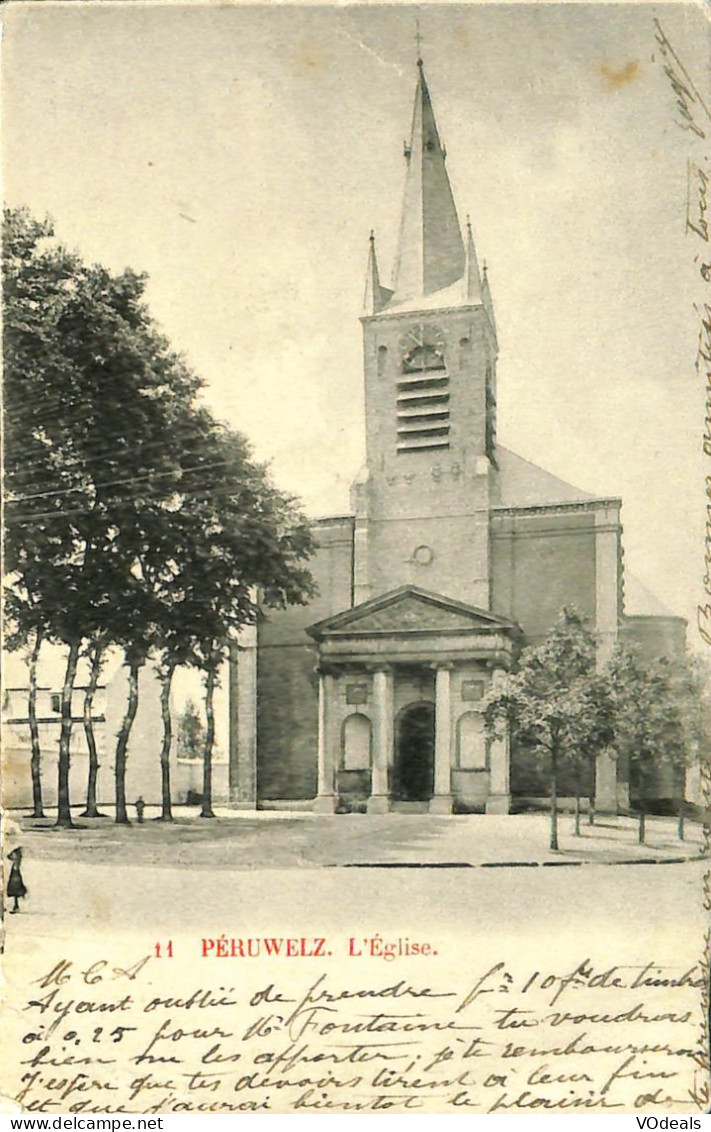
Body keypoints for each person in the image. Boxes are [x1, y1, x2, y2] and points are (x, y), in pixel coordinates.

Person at [7, 847, 27, 914]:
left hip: (15, 875)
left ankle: (16, 907)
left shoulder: (17, 861)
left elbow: (9, 857)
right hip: (15, 875)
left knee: (15, 891)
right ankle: (16, 906)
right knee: (15, 892)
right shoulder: (18, 859)